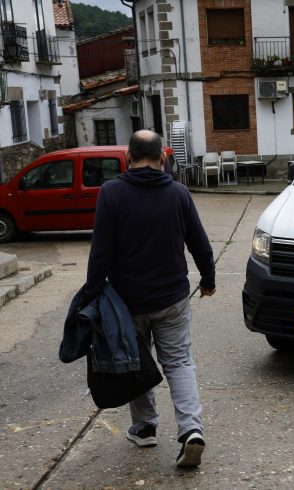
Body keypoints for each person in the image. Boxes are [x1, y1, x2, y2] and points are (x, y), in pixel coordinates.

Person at [85, 129, 216, 468]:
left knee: (135, 363)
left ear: (128, 157)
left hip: (126, 304)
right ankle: (191, 430)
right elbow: (199, 243)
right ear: (163, 158)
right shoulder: (179, 194)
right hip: (172, 300)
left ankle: (144, 428)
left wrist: (91, 294)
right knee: (179, 363)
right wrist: (209, 279)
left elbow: (100, 253)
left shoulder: (111, 193)